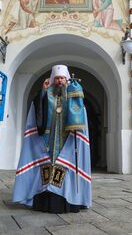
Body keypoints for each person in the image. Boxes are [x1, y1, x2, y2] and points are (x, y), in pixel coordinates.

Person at [12, 65, 91, 213]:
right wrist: (42, 91)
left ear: (66, 79)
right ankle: (44, 201)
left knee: (65, 168)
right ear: (53, 80)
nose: (60, 81)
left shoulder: (73, 97)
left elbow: (80, 115)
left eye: (62, 78)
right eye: (57, 78)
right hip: (46, 143)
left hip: (66, 142)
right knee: (45, 169)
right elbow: (37, 108)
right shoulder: (46, 95)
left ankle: (69, 201)